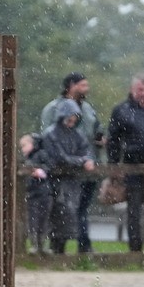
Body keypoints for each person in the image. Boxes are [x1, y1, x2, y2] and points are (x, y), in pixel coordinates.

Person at [40, 72, 103, 252]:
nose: (86, 89)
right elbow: (49, 139)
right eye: (82, 85)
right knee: (61, 208)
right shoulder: (53, 109)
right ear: (71, 86)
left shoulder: (88, 110)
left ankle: (84, 247)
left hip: (85, 168)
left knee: (81, 209)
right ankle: (57, 247)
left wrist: (98, 142)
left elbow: (92, 133)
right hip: (62, 170)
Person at [106, 73, 144, 252]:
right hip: (133, 166)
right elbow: (114, 140)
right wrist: (114, 165)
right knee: (134, 210)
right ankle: (135, 249)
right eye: (140, 89)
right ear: (132, 90)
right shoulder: (122, 110)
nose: (143, 93)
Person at [20, 133, 52, 255]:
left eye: (24, 145)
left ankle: (41, 244)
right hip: (34, 193)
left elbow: (48, 167)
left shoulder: (40, 155)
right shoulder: (28, 158)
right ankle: (35, 244)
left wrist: (40, 172)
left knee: (42, 219)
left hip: (42, 192)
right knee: (34, 219)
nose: (22, 149)